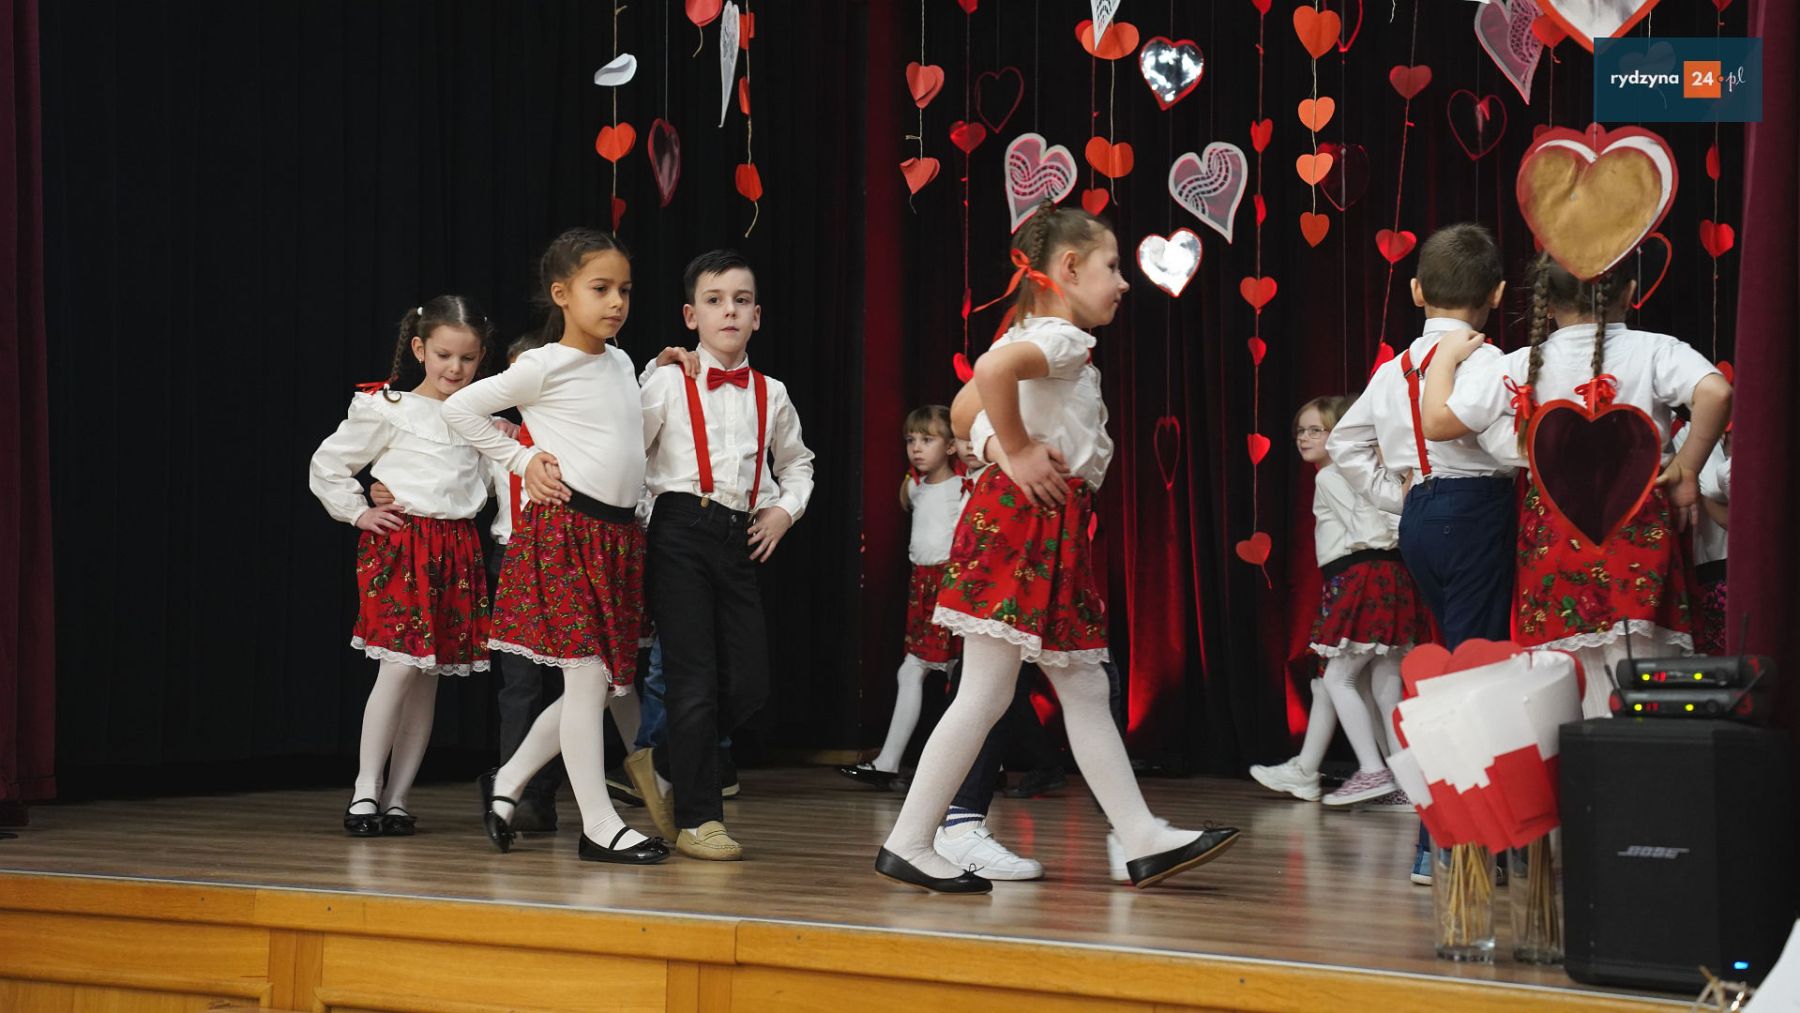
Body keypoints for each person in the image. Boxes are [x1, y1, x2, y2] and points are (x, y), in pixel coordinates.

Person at [875, 202, 1239, 893]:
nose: (1123, 282)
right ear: (1069, 268)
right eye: (1112, 267)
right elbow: (988, 375)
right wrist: (1014, 450)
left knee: (1085, 685)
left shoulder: (1038, 335)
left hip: (1046, 523)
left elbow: (963, 412)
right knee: (986, 692)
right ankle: (911, 839)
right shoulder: (1062, 339)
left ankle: (1140, 836)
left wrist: (999, 446)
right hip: (1025, 523)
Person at [444, 228, 689, 865]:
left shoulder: (618, 363)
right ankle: (599, 825)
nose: (616, 302)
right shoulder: (542, 365)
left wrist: (656, 372)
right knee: (587, 680)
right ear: (562, 294)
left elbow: (622, 428)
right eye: (600, 288)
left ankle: (507, 782)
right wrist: (523, 459)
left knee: (601, 684)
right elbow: (460, 410)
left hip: (618, 539)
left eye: (624, 290)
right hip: (567, 534)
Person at [1420, 252, 1732, 718]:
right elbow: (1717, 392)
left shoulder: (1522, 363)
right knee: (1646, 671)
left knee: (1572, 681)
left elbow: (1437, 422)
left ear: (1546, 304)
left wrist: (1445, 358)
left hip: (1557, 531)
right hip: (1637, 527)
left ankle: (1588, 760)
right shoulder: (1655, 349)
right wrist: (1688, 467)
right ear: (1629, 294)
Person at [1324, 223, 1514, 885]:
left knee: (1456, 667)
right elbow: (1507, 444)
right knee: (1470, 677)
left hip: (1422, 521)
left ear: (1414, 290)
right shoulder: (1488, 360)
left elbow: (1344, 444)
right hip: (1476, 511)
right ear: (1497, 294)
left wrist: (1397, 497)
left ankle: (1475, 838)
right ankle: (1447, 844)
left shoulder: (1391, 370)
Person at [625, 250, 816, 861]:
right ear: (691, 316)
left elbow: (798, 464)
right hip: (678, 530)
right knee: (692, 679)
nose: (728, 310)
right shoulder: (665, 381)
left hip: (738, 536)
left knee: (750, 682)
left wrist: (785, 510)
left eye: (740, 300)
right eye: (714, 300)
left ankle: (667, 757)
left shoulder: (772, 392)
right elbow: (628, 448)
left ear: (757, 316)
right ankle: (699, 819)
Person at [308, 296, 496, 838]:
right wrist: (360, 510)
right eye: (444, 355)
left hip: (456, 548)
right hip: (403, 545)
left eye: (467, 358)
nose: (455, 368)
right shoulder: (388, 408)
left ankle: (398, 797)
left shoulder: (480, 420)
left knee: (425, 676)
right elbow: (328, 463)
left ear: (481, 358)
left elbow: (484, 486)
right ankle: (366, 788)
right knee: (399, 666)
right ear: (419, 349)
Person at [1254, 395, 1433, 808]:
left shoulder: (1332, 477)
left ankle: (1372, 771)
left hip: (1361, 576)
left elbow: (1369, 528)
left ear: (1341, 434)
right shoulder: (1368, 474)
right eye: (1300, 431)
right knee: (1384, 688)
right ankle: (1409, 787)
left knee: (1338, 679)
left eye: (1316, 430)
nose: (1304, 438)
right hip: (1392, 575)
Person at [838, 405, 966, 790]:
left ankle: (975, 766)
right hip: (922, 587)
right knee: (916, 671)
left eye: (927, 440)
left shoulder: (963, 489)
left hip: (952, 588)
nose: (916, 448)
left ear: (951, 446)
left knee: (957, 675)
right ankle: (890, 762)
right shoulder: (914, 487)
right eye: (911, 440)